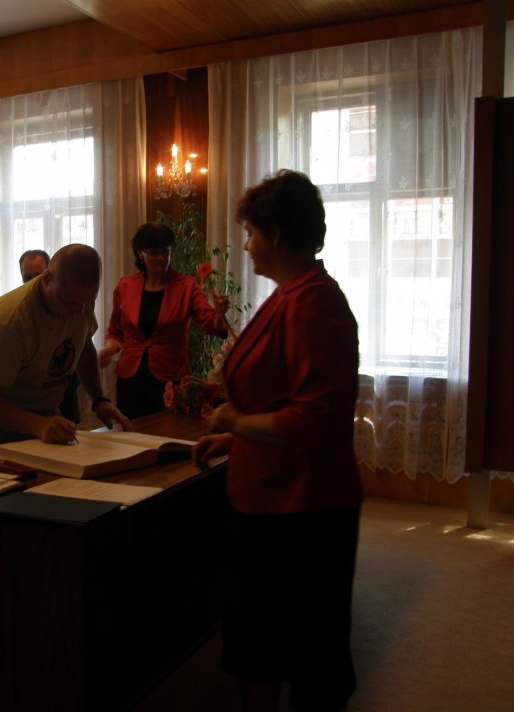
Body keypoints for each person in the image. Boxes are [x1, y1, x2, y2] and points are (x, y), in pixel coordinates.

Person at [191, 170, 362, 712]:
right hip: (274, 496)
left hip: (299, 508)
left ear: (278, 234)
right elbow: (280, 399)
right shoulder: (289, 294)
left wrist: (234, 423)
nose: (245, 245)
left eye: (250, 233)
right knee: (259, 641)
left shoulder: (311, 302)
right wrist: (233, 441)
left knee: (295, 647)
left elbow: (314, 420)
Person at [0, 243, 130, 461]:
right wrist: (40, 425)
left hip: (47, 413)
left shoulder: (79, 300)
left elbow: (83, 347)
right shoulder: (10, 321)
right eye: (69, 303)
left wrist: (99, 399)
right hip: (3, 424)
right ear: (46, 279)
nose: (78, 312)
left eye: (88, 303)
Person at [98, 223, 230, 419]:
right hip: (130, 379)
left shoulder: (187, 287)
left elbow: (211, 324)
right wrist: (109, 350)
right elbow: (115, 332)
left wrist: (220, 313)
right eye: (153, 253)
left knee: (167, 432)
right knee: (128, 431)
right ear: (140, 254)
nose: (161, 258)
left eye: (165, 251)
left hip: (169, 379)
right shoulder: (126, 286)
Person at [19, 249, 81, 424]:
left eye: (37, 276)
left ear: (49, 274)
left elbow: (84, 344)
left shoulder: (70, 301)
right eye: (27, 277)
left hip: (63, 387)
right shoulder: (17, 312)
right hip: (27, 399)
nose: (32, 282)